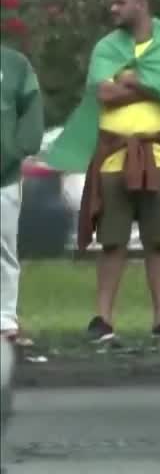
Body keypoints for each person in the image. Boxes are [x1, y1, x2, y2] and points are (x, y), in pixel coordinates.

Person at [46, 0, 160, 346]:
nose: (113, 9)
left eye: (120, 2)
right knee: (112, 242)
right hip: (113, 159)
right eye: (111, 2)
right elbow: (104, 93)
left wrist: (132, 80)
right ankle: (103, 321)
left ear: (141, 4)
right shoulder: (106, 48)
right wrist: (146, 85)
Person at [1, 40, 44, 346]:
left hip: (4, 176)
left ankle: (4, 321)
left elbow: (31, 111)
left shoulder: (15, 64)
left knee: (4, 249)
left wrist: (17, 149)